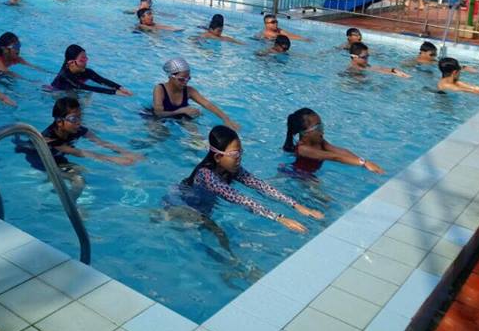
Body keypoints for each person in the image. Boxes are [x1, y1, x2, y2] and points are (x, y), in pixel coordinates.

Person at [178, 125, 320, 231]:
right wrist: (279, 218)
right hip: (183, 205)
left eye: (240, 152)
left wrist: (296, 205)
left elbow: (261, 186)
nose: (239, 158)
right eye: (235, 154)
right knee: (218, 236)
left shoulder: (232, 169)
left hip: (204, 208)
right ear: (218, 157)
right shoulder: (206, 175)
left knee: (220, 237)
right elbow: (239, 198)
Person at [22, 97, 141, 170]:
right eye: (74, 119)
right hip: (39, 159)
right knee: (79, 179)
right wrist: (113, 159)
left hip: (58, 156)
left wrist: (126, 152)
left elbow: (100, 142)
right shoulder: (50, 139)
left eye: (80, 117)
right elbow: (79, 152)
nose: (79, 122)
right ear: (59, 122)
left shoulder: (76, 128)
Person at [283, 108, 384, 174]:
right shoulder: (303, 149)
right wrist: (363, 163)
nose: (322, 129)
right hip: (300, 176)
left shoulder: (319, 141)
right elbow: (334, 157)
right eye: (318, 127)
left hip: (312, 173)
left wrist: (364, 162)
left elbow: (338, 151)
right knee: (323, 199)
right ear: (305, 133)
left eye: (322, 125)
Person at [151, 58, 239, 129]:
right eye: (181, 79)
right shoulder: (160, 89)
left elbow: (207, 104)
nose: (185, 82)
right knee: (159, 133)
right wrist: (181, 110)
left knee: (195, 133)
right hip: (158, 119)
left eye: (188, 79)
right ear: (171, 76)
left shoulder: (189, 90)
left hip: (181, 118)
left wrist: (226, 119)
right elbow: (158, 113)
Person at [50, 44, 131, 95]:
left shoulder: (86, 71)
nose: (86, 62)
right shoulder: (65, 76)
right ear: (71, 62)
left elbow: (102, 80)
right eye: (82, 59)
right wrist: (115, 92)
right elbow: (86, 87)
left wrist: (120, 88)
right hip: (57, 92)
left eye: (86, 58)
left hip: (75, 89)